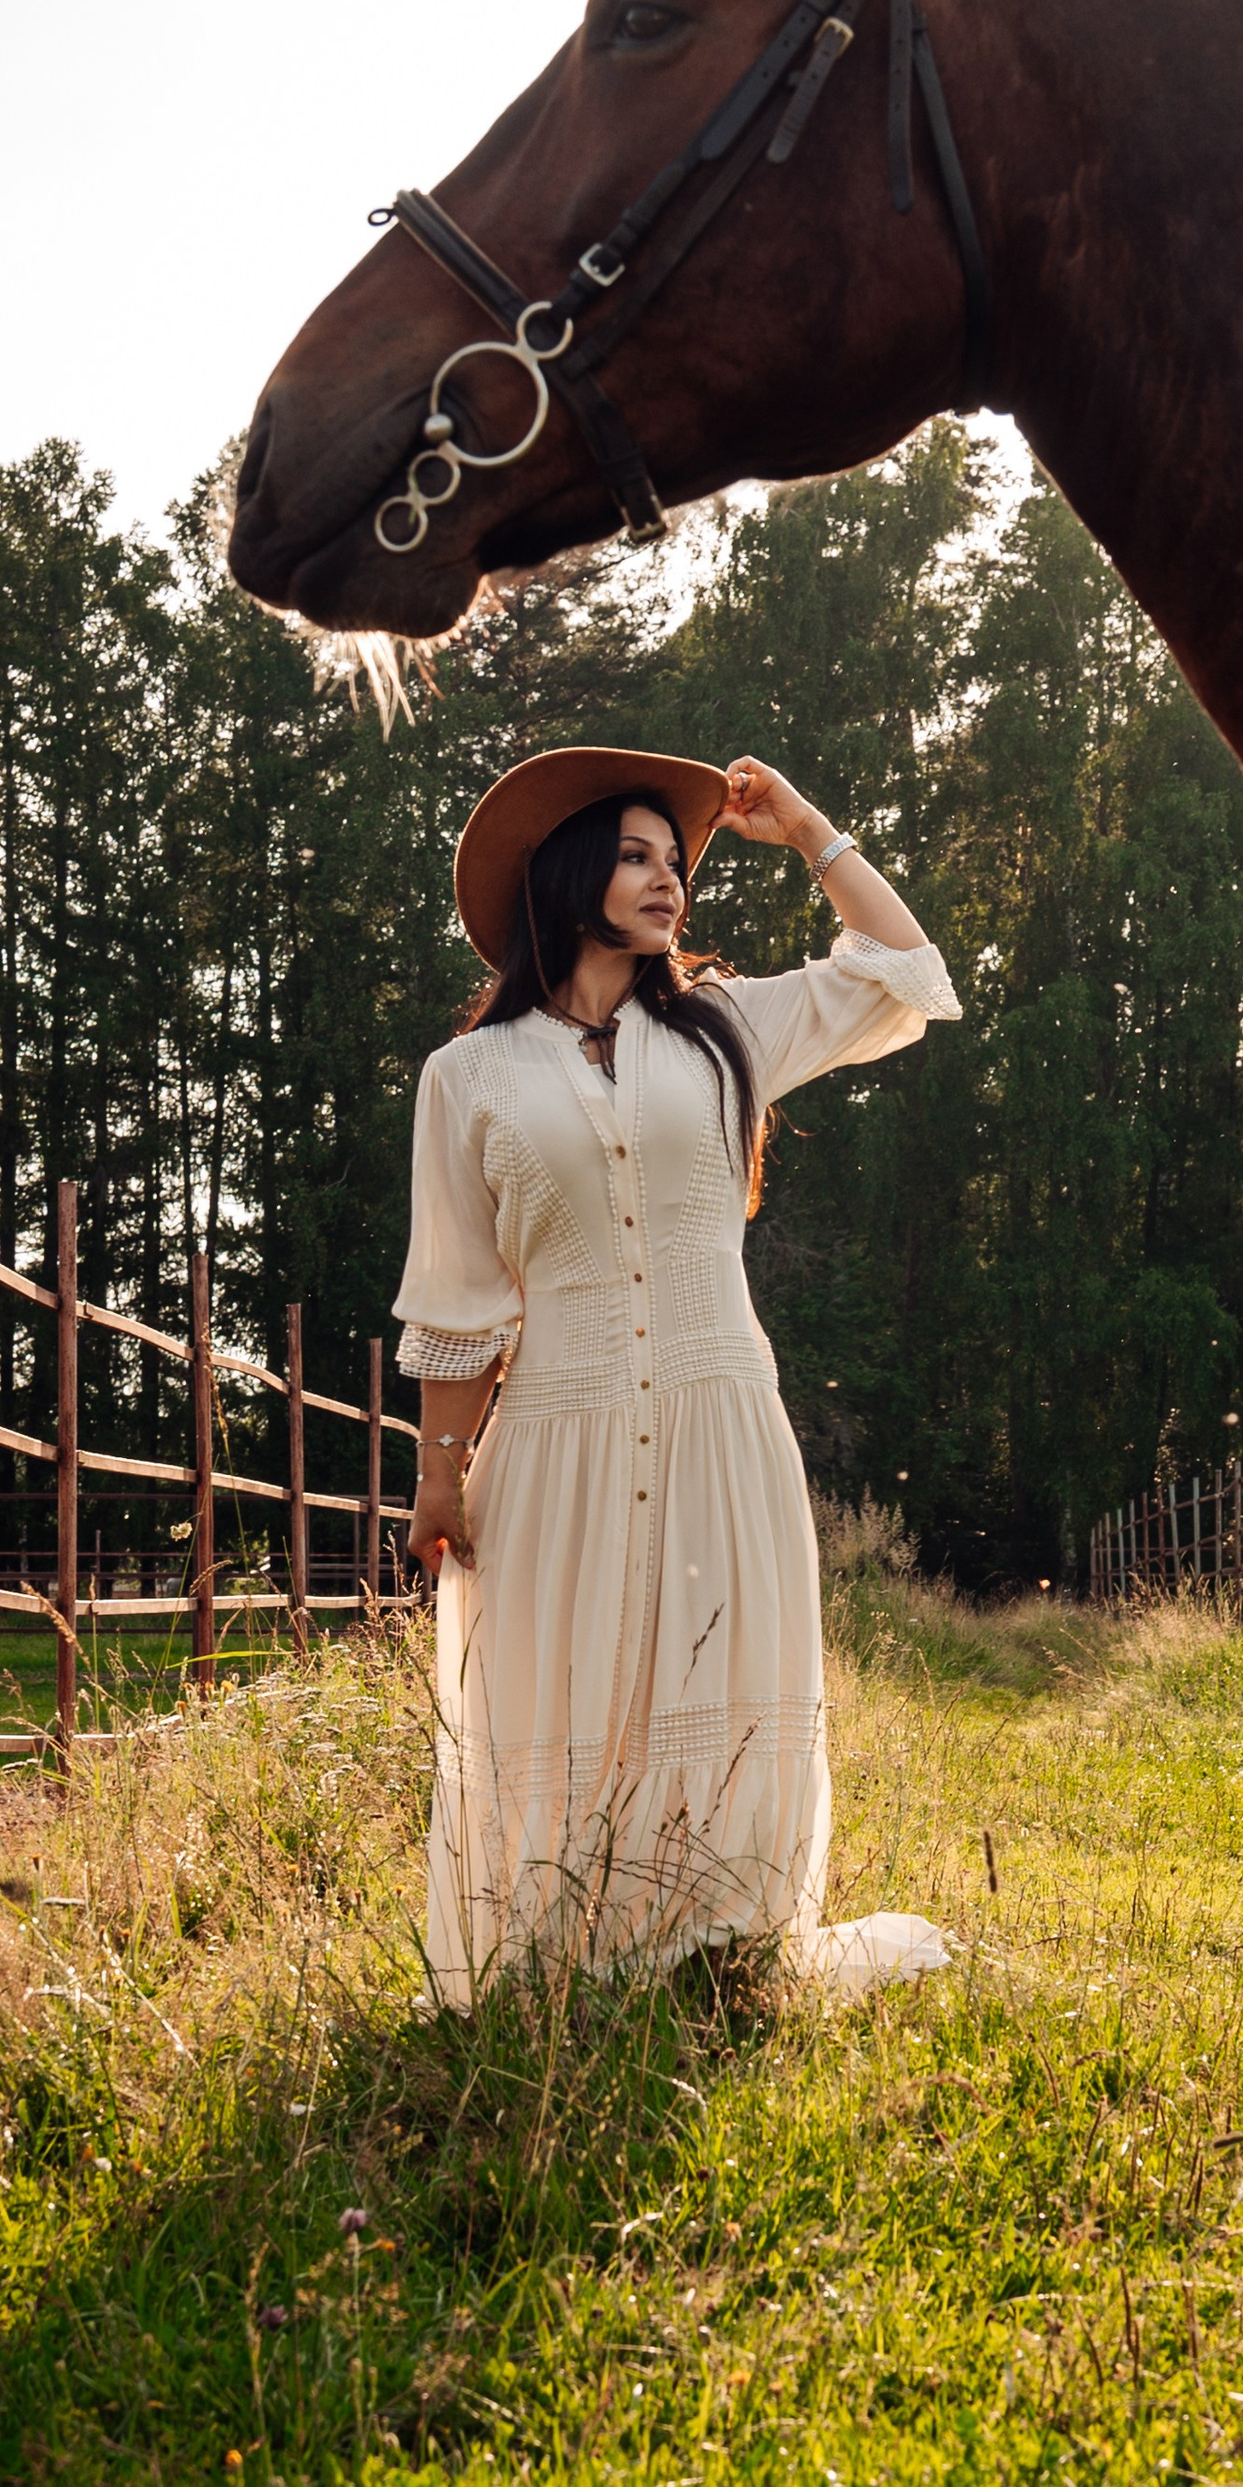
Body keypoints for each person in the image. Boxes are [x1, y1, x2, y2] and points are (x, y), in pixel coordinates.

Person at [394, 743, 962, 2005]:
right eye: (637, 856)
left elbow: (909, 977)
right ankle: (562, 1963)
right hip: (553, 1436)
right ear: (569, 873)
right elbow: (454, 1308)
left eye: (676, 860)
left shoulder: (726, 1033)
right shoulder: (467, 1077)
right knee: (564, 1693)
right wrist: (440, 1478)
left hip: (722, 1419)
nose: (668, 881)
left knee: (722, 1679)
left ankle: (721, 1957)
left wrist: (809, 827)